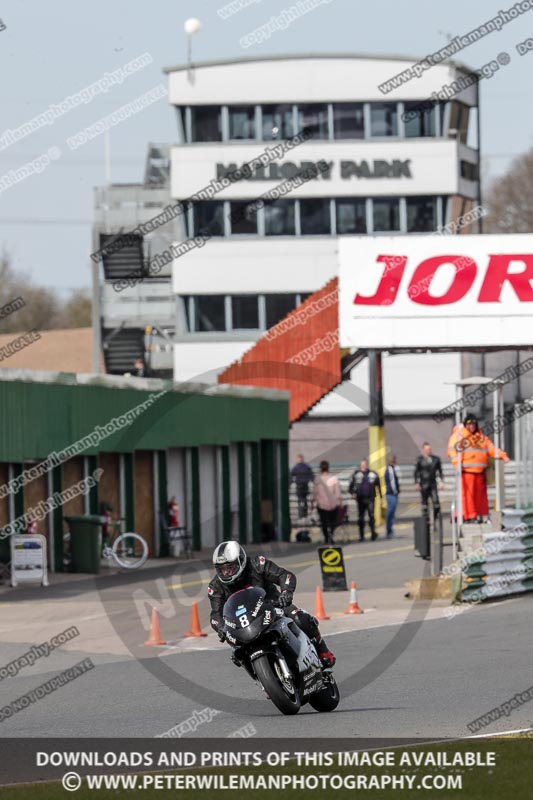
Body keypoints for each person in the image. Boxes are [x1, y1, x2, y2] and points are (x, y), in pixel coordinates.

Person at [208, 540, 335, 667]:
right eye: (222, 569)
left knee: (300, 618)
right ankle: (262, 676)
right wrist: (221, 628)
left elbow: (284, 575)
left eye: (230, 568)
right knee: (237, 653)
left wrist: (286, 593)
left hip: (273, 605)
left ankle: (323, 650)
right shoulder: (216, 586)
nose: (226, 573)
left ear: (241, 561)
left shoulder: (257, 564)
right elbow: (215, 614)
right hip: (243, 621)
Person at [447, 413, 509, 523]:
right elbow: (452, 451)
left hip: (480, 472)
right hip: (467, 471)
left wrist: (503, 455)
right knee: (468, 496)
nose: (472, 427)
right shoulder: (459, 436)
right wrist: (457, 464)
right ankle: (470, 516)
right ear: (465, 425)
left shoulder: (481, 437)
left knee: (480, 497)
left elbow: (491, 449)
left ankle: (481, 515)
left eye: (473, 424)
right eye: (469, 424)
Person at [349, 459, 382, 541]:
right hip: (360, 499)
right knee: (361, 518)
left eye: (364, 465)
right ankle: (361, 535)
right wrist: (353, 493)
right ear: (360, 466)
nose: (363, 467)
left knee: (371, 516)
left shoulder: (373, 474)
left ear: (367, 465)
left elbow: (378, 485)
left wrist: (381, 497)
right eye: (362, 465)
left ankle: (373, 534)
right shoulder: (356, 475)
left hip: (370, 499)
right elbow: (350, 487)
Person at [414, 442, 444, 526]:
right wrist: (417, 483)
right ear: (423, 450)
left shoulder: (436, 459)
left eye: (429, 449)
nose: (428, 451)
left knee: (436, 503)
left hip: (433, 484)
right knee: (424, 504)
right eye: (426, 449)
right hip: (424, 484)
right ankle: (426, 521)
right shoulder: (419, 459)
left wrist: (440, 482)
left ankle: (434, 519)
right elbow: (416, 472)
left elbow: (439, 471)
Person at [312, 460, 342, 544]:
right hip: (332, 505)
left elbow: (315, 493)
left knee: (323, 522)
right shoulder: (333, 478)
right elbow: (337, 493)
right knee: (333, 521)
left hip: (321, 505)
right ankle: (331, 535)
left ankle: (326, 537)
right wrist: (340, 503)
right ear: (328, 468)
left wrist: (312, 503)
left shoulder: (317, 479)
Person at [384, 453, 400, 539]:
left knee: (391, 512)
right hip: (391, 494)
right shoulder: (390, 470)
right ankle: (389, 531)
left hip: (391, 494)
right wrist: (395, 491)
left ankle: (390, 530)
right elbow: (392, 482)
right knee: (391, 512)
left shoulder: (391, 469)